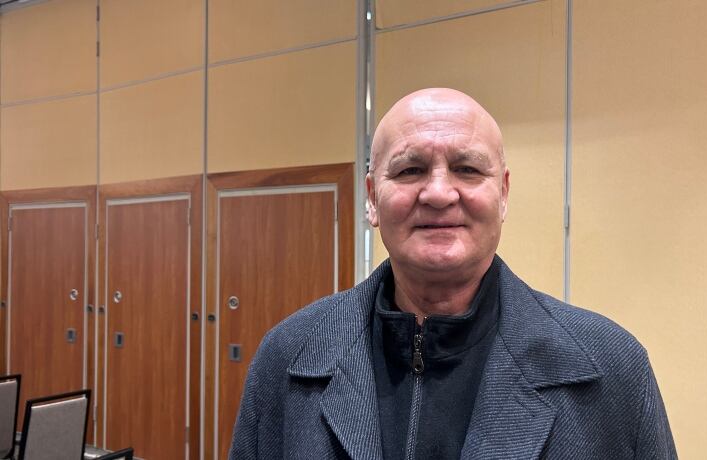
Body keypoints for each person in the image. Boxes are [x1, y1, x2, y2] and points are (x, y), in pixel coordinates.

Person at [229, 88, 676, 459]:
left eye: (466, 169)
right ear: (371, 198)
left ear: (502, 193)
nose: (440, 193)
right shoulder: (287, 358)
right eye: (410, 170)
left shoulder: (611, 368)